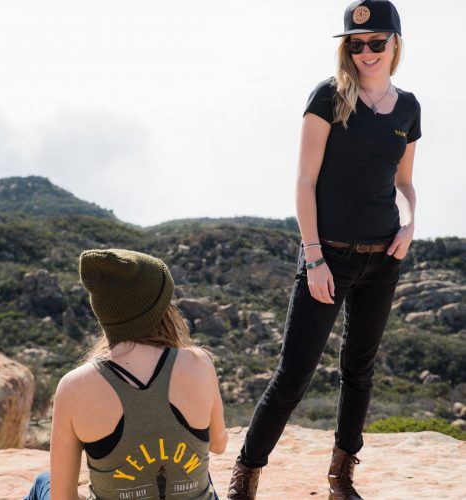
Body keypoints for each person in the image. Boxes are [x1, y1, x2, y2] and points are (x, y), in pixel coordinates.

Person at [227, 1, 421, 499]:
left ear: (396, 43)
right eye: (356, 45)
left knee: (359, 370)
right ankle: (246, 475)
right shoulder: (329, 98)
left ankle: (341, 478)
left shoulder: (408, 108)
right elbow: (305, 180)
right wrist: (313, 257)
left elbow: (404, 183)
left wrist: (410, 223)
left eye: (377, 42)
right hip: (327, 257)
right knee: (294, 374)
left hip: (383, 260)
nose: (366, 52)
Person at [25, 249, 228, 500]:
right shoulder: (199, 362)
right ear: (160, 308)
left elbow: (62, 497)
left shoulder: (74, 386)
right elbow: (218, 445)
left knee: (43, 482)